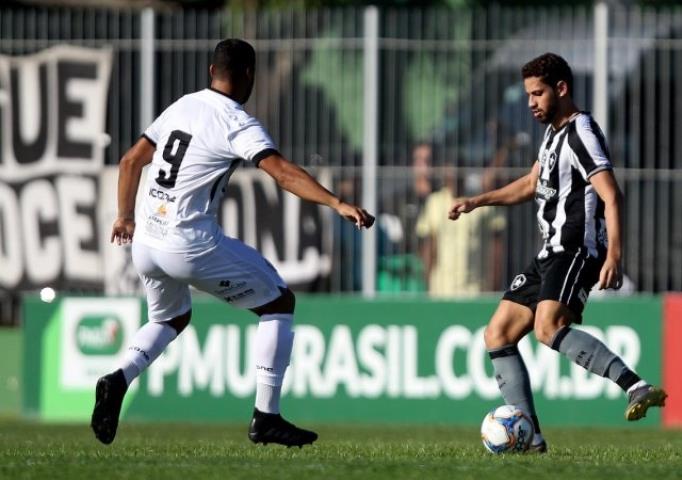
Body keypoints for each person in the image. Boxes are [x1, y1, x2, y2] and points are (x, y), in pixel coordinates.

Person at [91, 39, 374, 447]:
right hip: (186, 243)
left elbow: (130, 160)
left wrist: (124, 216)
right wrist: (337, 202)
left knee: (169, 318)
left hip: (146, 243)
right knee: (278, 301)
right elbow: (281, 173)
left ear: (211, 71)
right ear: (249, 76)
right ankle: (266, 417)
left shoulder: (183, 105)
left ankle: (118, 378)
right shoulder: (235, 120)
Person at [448, 53, 666, 453]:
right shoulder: (552, 134)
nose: (530, 102)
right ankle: (531, 439)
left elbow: (611, 196)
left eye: (537, 93)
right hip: (549, 252)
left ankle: (635, 386)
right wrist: (477, 201)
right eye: (528, 93)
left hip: (577, 249)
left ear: (561, 89)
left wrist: (614, 255)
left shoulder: (581, 131)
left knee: (548, 327)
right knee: (497, 333)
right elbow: (532, 183)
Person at [416, 167, 505, 296]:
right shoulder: (434, 201)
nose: (453, 175)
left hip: (476, 288)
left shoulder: (479, 200)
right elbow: (429, 244)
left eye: (457, 170)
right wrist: (427, 281)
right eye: (449, 170)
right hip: (441, 289)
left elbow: (496, 244)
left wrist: (494, 283)